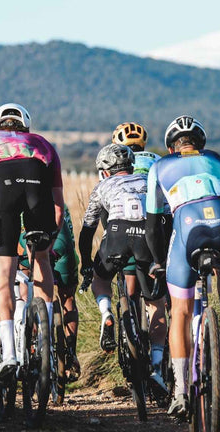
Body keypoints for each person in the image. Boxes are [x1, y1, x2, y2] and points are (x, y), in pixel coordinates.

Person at [146, 116, 220, 418]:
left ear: (171, 146)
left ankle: (180, 393)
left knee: (182, 312)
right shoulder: (218, 159)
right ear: (199, 142)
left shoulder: (159, 167)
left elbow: (152, 225)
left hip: (188, 227)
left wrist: (159, 261)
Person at [0, 103, 64, 382]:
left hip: (2, 187)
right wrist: (49, 244)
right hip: (37, 184)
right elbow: (59, 207)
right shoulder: (43, 143)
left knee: (5, 276)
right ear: (26, 126)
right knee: (41, 260)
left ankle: (8, 353)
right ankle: (45, 340)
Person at [79, 143, 168, 395]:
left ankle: (107, 314)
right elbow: (165, 218)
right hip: (147, 237)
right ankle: (157, 369)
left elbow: (87, 231)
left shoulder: (102, 186)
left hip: (117, 233)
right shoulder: (148, 181)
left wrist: (86, 264)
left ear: (104, 171)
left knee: (101, 277)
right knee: (155, 303)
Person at [19, 203, 80, 380]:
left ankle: (35, 344)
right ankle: (71, 354)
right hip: (63, 248)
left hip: (34, 247)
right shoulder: (62, 204)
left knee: (27, 288)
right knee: (68, 299)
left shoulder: (22, 205)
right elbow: (70, 236)